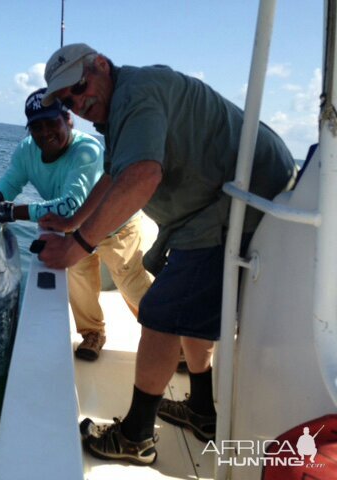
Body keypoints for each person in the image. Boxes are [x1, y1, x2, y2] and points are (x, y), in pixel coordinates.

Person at [37, 43, 297, 464]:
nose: (78, 102)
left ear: (101, 65)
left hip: (238, 205)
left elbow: (142, 175)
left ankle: (136, 437)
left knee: (161, 312)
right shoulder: (123, 105)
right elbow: (114, 176)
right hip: (221, 205)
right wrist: (70, 225)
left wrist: (77, 246)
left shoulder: (136, 94)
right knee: (186, 306)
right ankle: (200, 409)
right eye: (68, 100)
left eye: (80, 86)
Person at [0, 87, 153, 361]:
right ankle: (93, 333)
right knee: (78, 279)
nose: (45, 132)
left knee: (129, 280)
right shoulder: (27, 150)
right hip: (73, 228)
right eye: (37, 127)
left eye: (52, 123)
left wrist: (12, 212)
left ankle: (169, 334)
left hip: (117, 224)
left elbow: (71, 205)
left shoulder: (88, 150)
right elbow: (12, 181)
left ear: (69, 120)